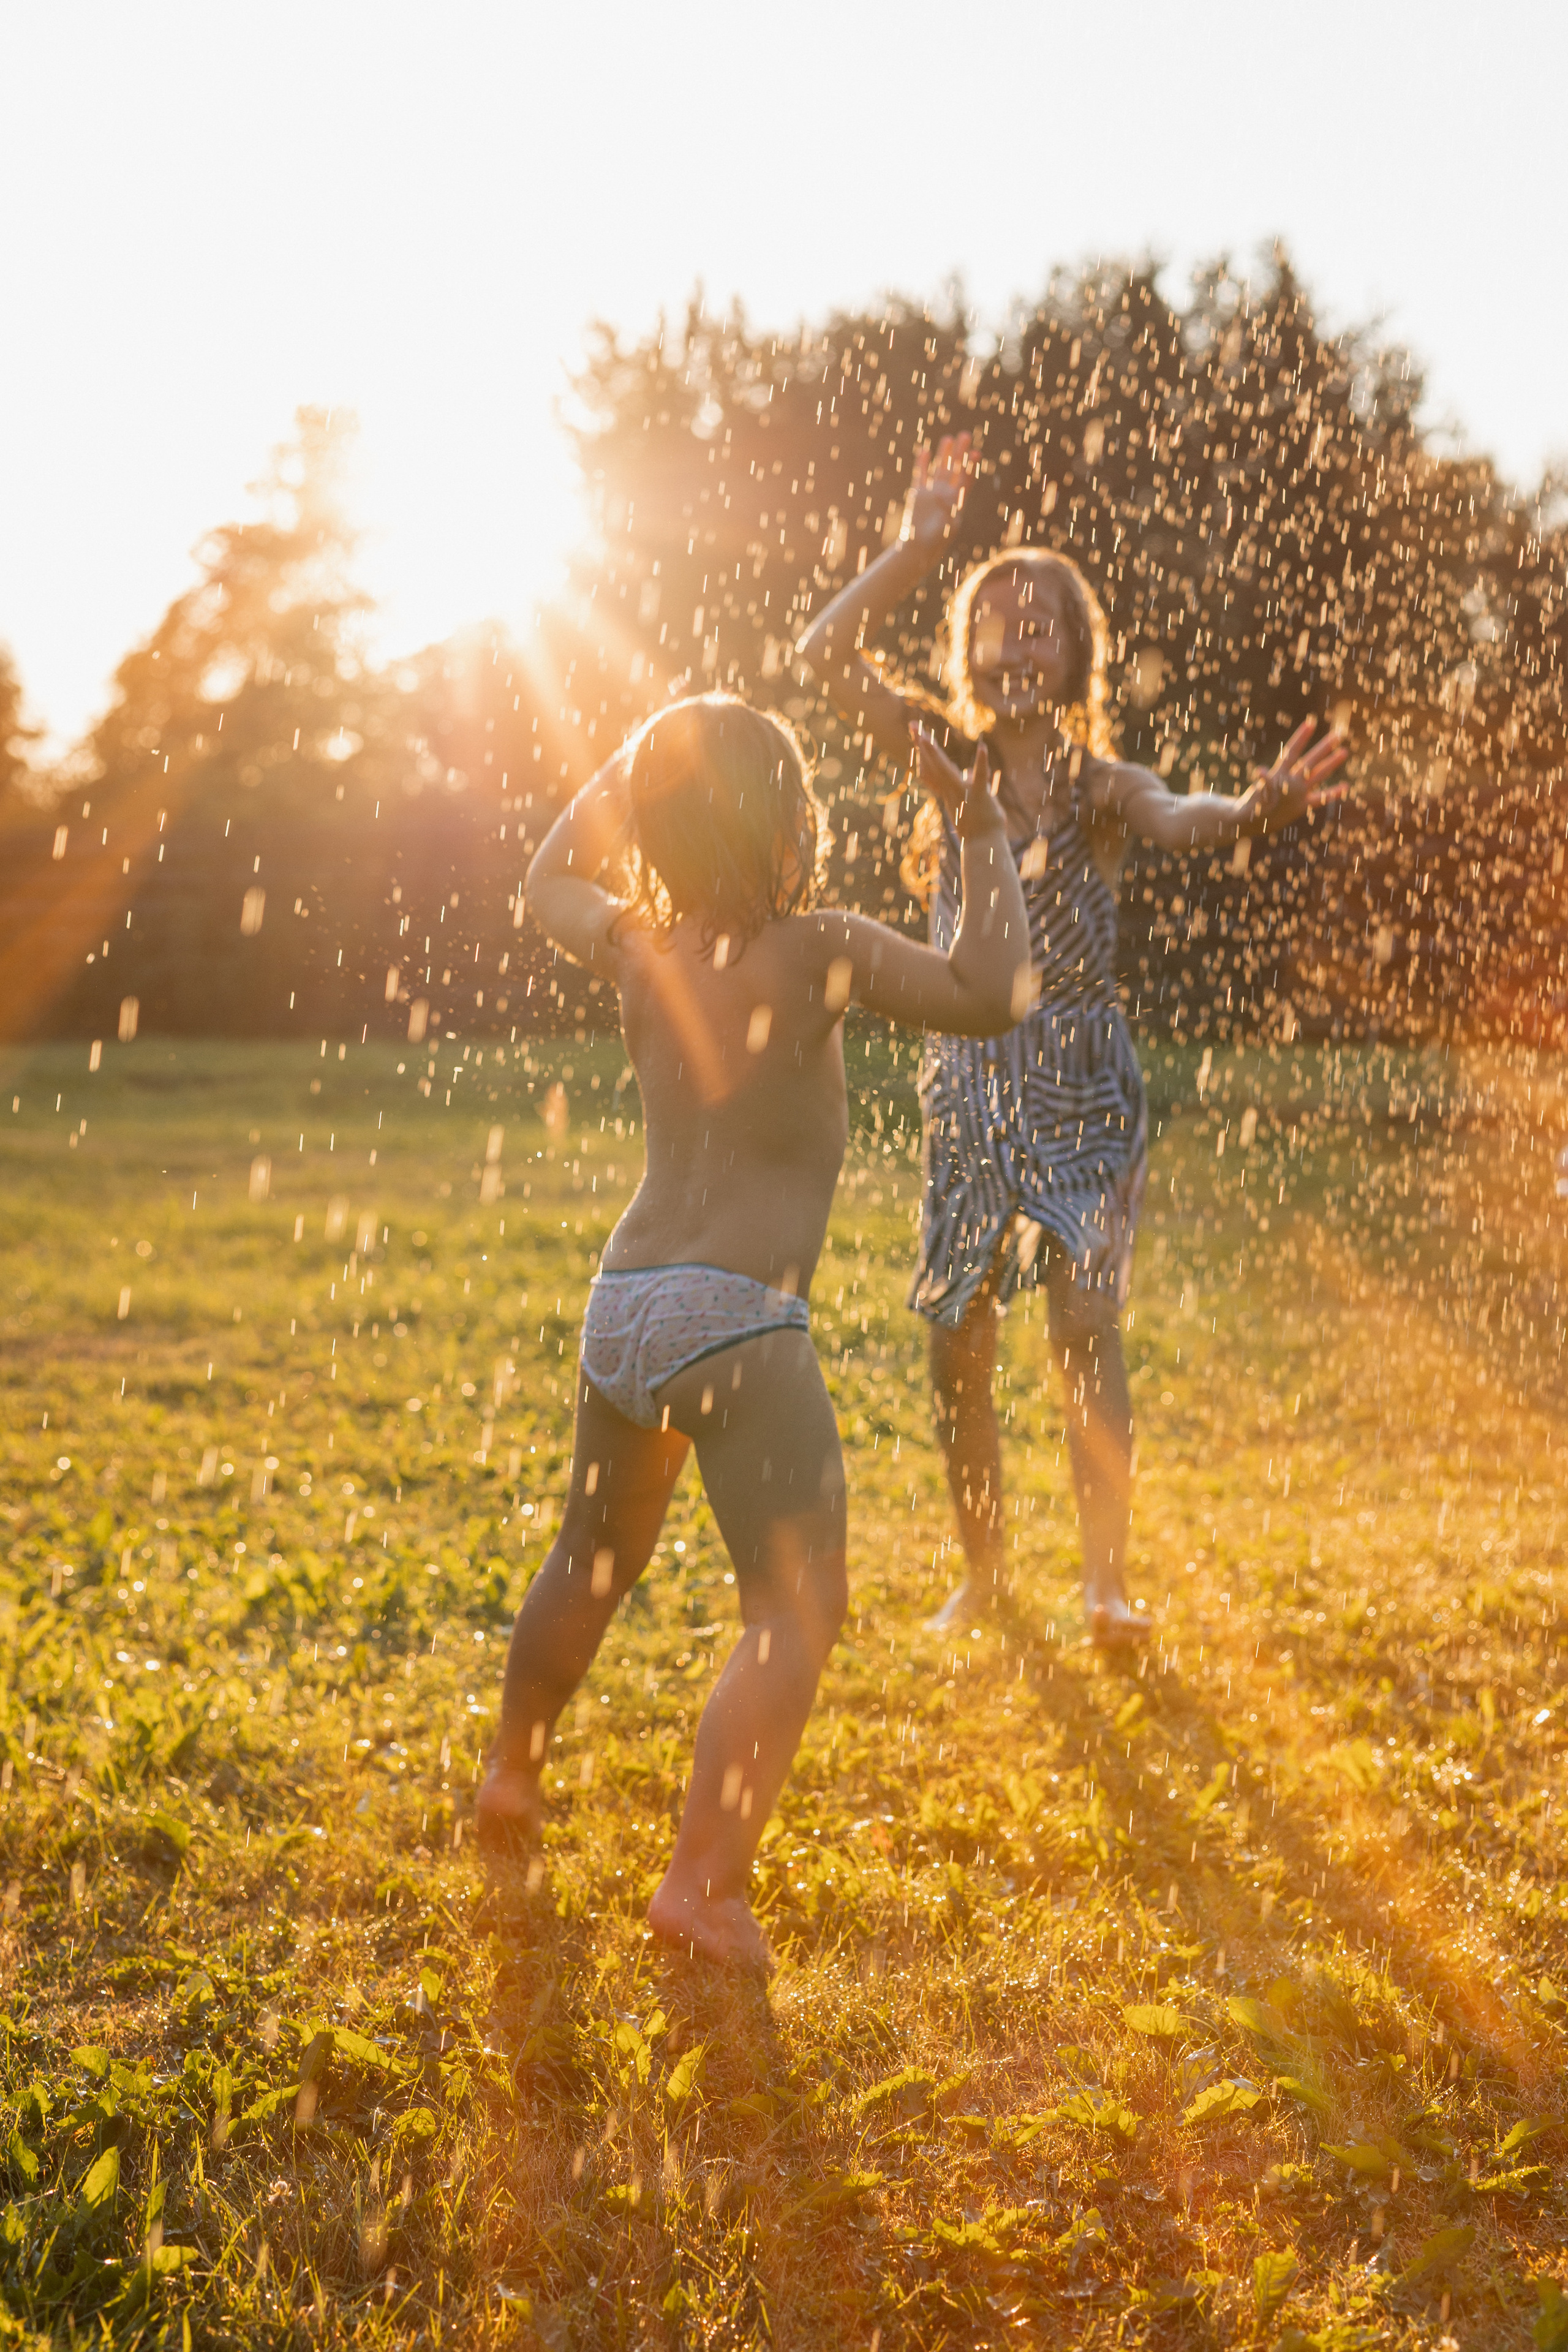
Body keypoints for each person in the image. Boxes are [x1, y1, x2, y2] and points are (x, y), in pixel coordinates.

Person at [476, 693, 1030, 1965]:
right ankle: (702, 1889)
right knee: (794, 1604)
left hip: (624, 1303)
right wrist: (980, 828)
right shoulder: (812, 944)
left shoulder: (634, 947)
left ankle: (512, 1773)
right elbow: (992, 990)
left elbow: (540, 876)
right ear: (788, 822)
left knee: (588, 1554)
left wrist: (626, 767)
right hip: (737, 1319)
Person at [796, 435, 1347, 1645]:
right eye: (992, 622)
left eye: (1039, 624)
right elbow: (817, 656)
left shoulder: (1100, 784)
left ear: (1075, 655)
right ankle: (983, 1575)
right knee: (957, 1345)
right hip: (974, 1081)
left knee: (1082, 1338)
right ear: (967, 653)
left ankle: (1101, 1585)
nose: (1014, 641)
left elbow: (1179, 815)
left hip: (1087, 1084)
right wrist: (912, 547)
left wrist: (1253, 805)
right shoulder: (937, 758)